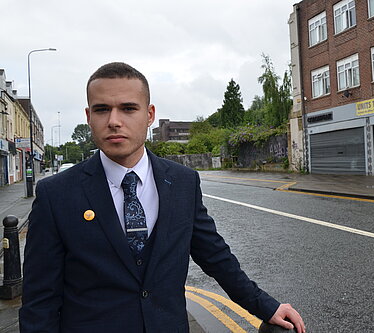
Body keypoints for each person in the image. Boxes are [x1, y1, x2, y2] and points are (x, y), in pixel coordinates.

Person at [19, 62, 305, 333]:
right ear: (88, 117)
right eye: (102, 109)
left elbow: (216, 257)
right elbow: (39, 300)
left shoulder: (183, 182)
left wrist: (266, 306)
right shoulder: (55, 195)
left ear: (150, 114)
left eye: (128, 108)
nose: (114, 121)